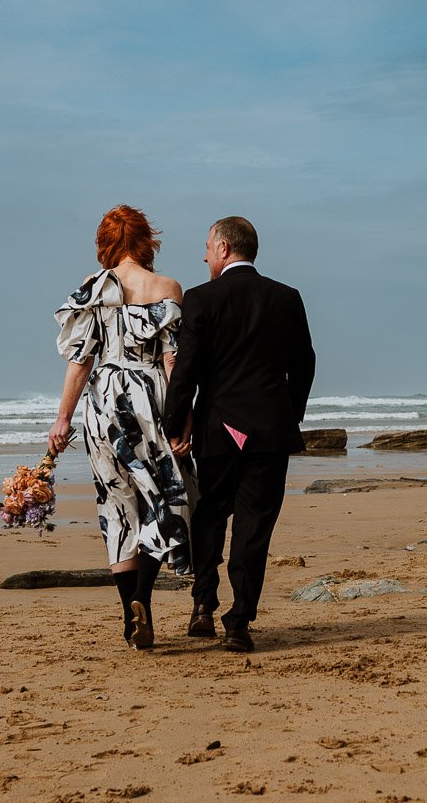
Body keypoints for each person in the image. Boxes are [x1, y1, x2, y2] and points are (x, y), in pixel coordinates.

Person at [164, 216, 315, 653]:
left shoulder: (201, 299)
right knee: (255, 527)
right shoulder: (286, 297)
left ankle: (203, 605)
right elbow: (304, 363)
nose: (205, 256)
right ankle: (239, 622)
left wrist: (175, 425)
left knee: (210, 515)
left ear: (225, 248)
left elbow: (186, 370)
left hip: (218, 428)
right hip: (269, 430)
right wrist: (290, 413)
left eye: (208, 248)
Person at [48, 205, 197, 650]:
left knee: (117, 507)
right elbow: (173, 360)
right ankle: (144, 603)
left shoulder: (93, 290)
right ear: (146, 240)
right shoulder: (167, 287)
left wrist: (62, 419)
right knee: (165, 499)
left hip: (103, 403)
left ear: (105, 243)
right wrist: (183, 414)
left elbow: (80, 362)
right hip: (149, 399)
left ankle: (131, 618)